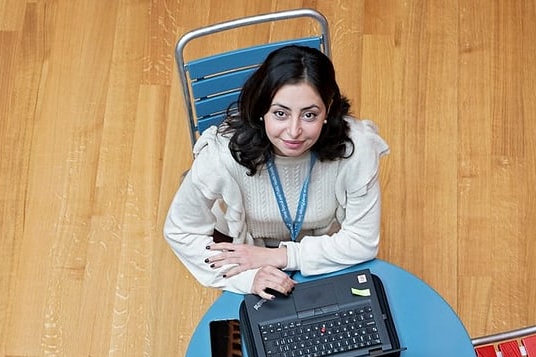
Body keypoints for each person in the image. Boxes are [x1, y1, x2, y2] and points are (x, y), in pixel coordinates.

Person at [164, 45, 389, 300]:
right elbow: (180, 231)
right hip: (245, 254)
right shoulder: (220, 156)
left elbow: (362, 242)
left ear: (328, 109)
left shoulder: (356, 149)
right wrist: (250, 277)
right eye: (280, 113)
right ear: (262, 109)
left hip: (317, 255)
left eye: (309, 115)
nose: (293, 132)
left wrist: (279, 256)